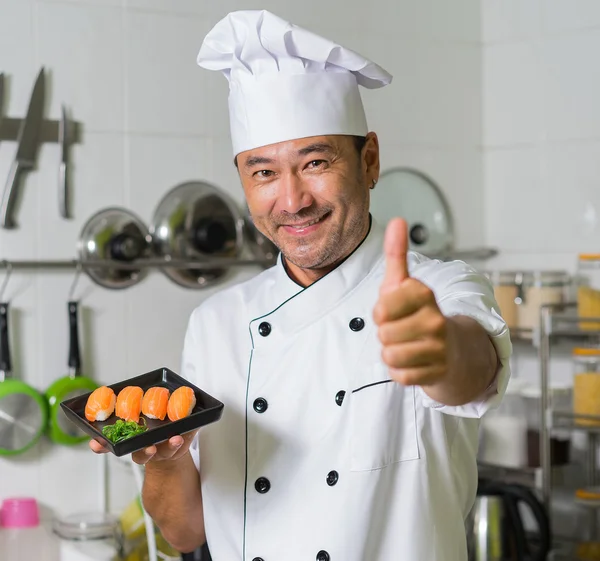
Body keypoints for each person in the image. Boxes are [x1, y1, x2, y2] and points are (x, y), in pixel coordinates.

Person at [91, 10, 512, 561]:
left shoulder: (439, 288)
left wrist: (439, 352)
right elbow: (184, 533)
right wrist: (165, 459)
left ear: (370, 160)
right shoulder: (217, 323)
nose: (291, 201)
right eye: (264, 172)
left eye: (315, 162)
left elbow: (471, 369)